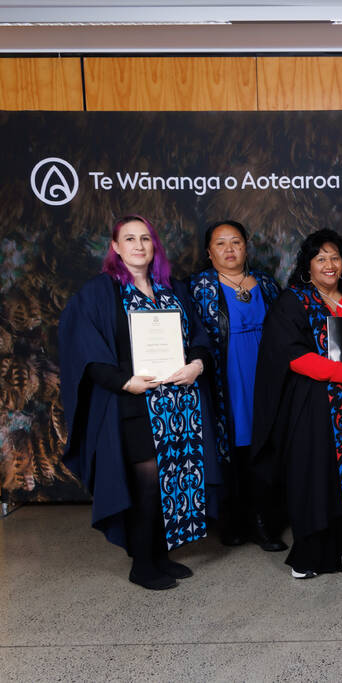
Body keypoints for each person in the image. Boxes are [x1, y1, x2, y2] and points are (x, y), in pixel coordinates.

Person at [58, 215, 220, 590]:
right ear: (115, 247)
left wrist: (197, 364)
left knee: (172, 481)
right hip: (133, 401)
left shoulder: (172, 289)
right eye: (129, 239)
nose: (138, 245)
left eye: (145, 238)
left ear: (154, 246)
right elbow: (84, 348)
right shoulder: (101, 292)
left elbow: (198, 336)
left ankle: (161, 554)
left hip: (178, 406)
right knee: (146, 483)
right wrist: (123, 381)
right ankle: (142, 563)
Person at [251, 229, 342, 579]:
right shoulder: (292, 301)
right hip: (312, 407)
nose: (329, 264)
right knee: (315, 476)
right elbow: (293, 355)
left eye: (335, 257)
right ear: (307, 266)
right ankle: (310, 555)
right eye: (320, 258)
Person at [188, 220, 286, 551]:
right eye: (221, 244)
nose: (230, 250)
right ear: (208, 252)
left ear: (246, 246)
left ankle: (263, 522)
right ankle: (233, 520)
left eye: (236, 242)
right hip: (225, 377)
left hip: (266, 373)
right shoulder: (198, 288)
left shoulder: (268, 284)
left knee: (264, 450)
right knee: (233, 450)